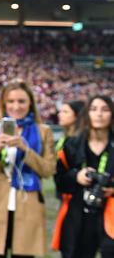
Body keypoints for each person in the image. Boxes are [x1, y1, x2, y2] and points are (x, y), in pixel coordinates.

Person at [0, 80, 56, 257]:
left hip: (29, 204)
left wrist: (25, 148)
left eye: (21, 101)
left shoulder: (43, 131)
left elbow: (48, 170)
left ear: (30, 103)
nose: (16, 106)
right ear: (4, 103)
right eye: (11, 101)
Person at [54, 95, 114, 258]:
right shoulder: (72, 144)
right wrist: (76, 176)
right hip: (78, 214)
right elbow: (59, 182)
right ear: (87, 114)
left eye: (105, 110)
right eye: (94, 109)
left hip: (110, 215)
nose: (99, 114)